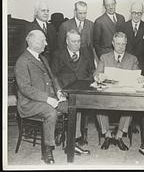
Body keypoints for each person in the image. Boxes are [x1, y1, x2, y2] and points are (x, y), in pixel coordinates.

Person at [15, 30, 89, 164]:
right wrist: (48, 99)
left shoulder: (41, 58)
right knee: (51, 112)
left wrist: (59, 92)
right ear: (33, 42)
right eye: (43, 40)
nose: (46, 43)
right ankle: (47, 150)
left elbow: (53, 77)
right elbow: (25, 89)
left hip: (48, 98)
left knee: (74, 106)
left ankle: (70, 143)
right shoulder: (22, 61)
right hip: (29, 104)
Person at [93, 32, 144, 151]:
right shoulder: (104, 57)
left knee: (130, 105)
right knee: (98, 103)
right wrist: (98, 77)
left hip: (124, 96)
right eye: (118, 44)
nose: (120, 47)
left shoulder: (132, 59)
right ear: (112, 43)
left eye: (123, 44)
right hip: (108, 94)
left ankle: (119, 136)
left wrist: (140, 78)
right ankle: (107, 135)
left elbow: (137, 75)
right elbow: (96, 73)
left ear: (126, 44)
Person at [51, 30, 95, 147]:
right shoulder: (58, 55)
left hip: (84, 90)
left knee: (83, 104)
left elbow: (92, 72)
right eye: (73, 41)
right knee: (75, 105)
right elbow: (54, 76)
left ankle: (79, 134)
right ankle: (73, 139)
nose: (77, 44)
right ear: (67, 41)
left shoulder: (86, 54)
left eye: (79, 41)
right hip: (65, 90)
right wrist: (60, 91)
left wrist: (90, 83)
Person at [118, 2, 144, 78]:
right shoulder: (123, 26)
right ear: (130, 12)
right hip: (126, 65)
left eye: (139, 13)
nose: (136, 15)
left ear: (142, 13)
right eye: (134, 13)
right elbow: (119, 48)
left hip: (142, 67)